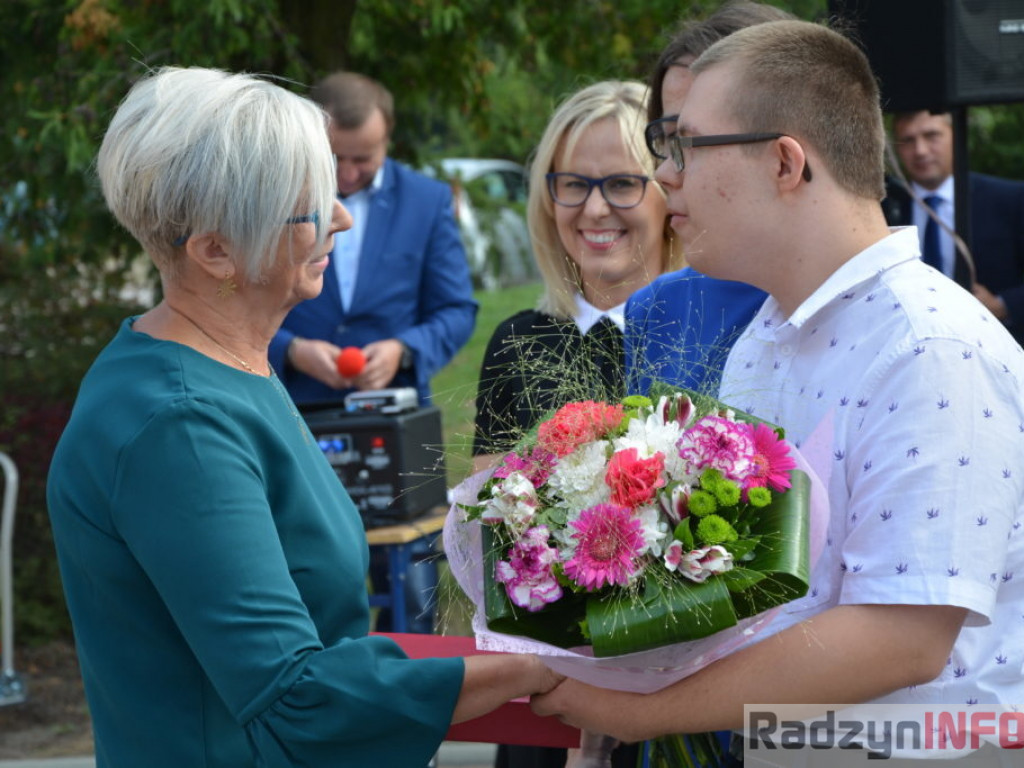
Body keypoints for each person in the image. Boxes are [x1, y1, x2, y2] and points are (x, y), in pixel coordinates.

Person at [532, 19, 1024, 765]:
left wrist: (649, 711)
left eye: (685, 146)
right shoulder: (769, 333)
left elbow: (903, 641)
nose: (665, 176)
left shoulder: (928, 347)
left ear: (786, 163)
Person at [45, 67, 561, 768]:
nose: (342, 218)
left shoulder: (226, 366)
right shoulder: (180, 424)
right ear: (216, 250)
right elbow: (295, 695)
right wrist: (545, 668)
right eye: (314, 205)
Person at [472, 80, 682, 767]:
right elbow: (490, 534)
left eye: (623, 183)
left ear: (668, 192)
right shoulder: (518, 343)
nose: (595, 208)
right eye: (572, 184)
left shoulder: (715, 331)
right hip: (548, 690)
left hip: (687, 699)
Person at [270, 71, 477, 407]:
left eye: (363, 159)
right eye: (335, 158)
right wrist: (290, 351)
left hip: (395, 411)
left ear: (387, 139)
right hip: (288, 409)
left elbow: (456, 309)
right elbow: (232, 300)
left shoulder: (426, 201)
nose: (348, 174)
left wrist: (404, 350)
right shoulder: (274, 198)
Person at [625, 0, 791, 397]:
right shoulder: (656, 309)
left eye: (691, 139)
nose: (663, 173)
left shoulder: (878, 317)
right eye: (666, 139)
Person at [883, 109, 1024, 344]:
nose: (920, 150)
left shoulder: (1009, 198)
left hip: (995, 345)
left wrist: (1003, 304)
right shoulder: (885, 209)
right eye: (907, 140)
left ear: (956, 135)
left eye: (931, 136)